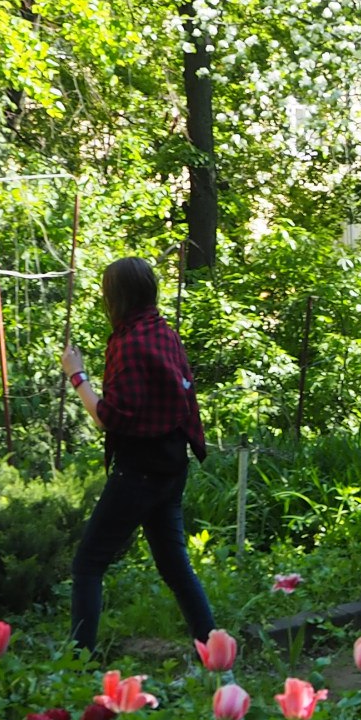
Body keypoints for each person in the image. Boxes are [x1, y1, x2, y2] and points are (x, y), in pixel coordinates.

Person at [60, 256, 216, 653]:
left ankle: (78, 666)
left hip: (140, 473)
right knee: (175, 567)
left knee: (88, 563)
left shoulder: (128, 343)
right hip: (171, 467)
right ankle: (217, 657)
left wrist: (77, 376)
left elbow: (109, 418)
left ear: (115, 298)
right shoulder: (164, 333)